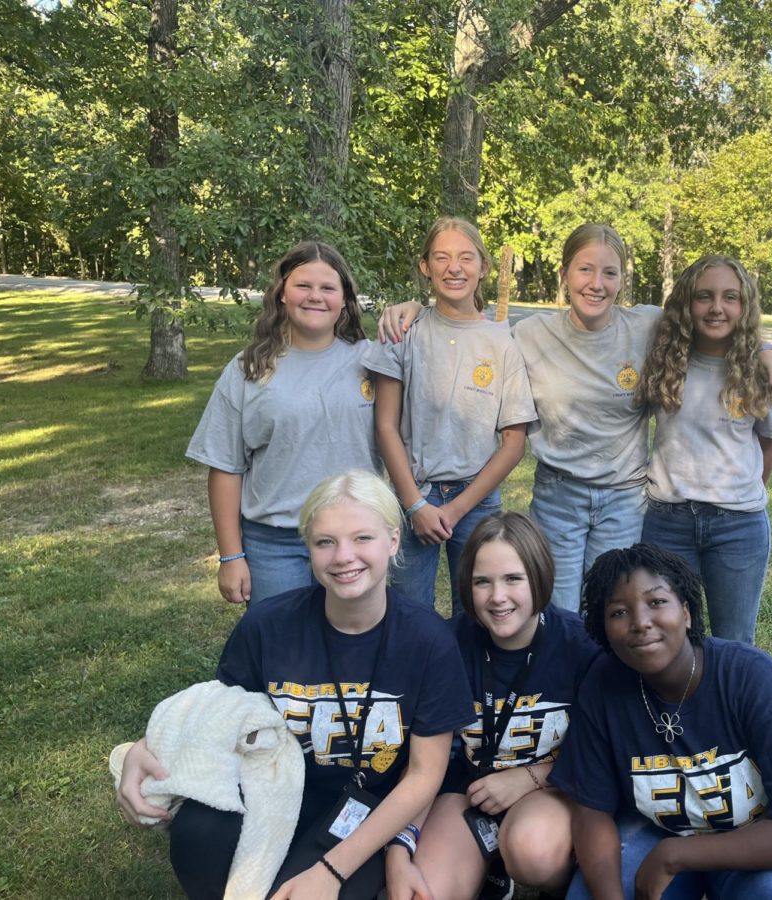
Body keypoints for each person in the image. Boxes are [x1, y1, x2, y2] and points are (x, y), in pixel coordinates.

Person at [378, 223, 772, 613]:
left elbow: (713, 318)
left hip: (624, 499)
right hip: (559, 496)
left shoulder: (648, 326)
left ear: (622, 280)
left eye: (609, 272)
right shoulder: (527, 334)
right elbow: (469, 327)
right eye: (585, 269)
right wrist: (415, 308)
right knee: (556, 613)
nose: (596, 283)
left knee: (611, 607)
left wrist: (767, 348)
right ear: (564, 273)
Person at [115, 470, 474, 899]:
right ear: (308, 548)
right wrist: (144, 747)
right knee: (199, 835)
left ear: (393, 541)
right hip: (276, 787)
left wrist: (330, 871)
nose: (344, 556)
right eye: (326, 541)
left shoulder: (429, 641)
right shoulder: (268, 626)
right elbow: (218, 715)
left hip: (369, 807)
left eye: (362, 538)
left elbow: (422, 776)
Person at [551, 544, 772, 900]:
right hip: (655, 832)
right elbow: (591, 813)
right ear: (603, 629)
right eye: (619, 612)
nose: (640, 622)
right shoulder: (603, 686)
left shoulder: (752, 678)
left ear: (686, 612)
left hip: (759, 839)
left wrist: (675, 856)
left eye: (657, 602)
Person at [387, 512, 601, 900]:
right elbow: (423, 760)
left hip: (552, 790)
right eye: (482, 582)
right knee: (426, 894)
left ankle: (554, 881)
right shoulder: (445, 645)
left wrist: (531, 778)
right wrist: (402, 843)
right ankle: (489, 868)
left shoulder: (581, 648)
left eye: (513, 579)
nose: (497, 597)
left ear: (539, 576)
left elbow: (603, 754)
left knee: (533, 851)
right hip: (466, 792)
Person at [186, 241, 381, 606]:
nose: (315, 297)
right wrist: (231, 556)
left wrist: (413, 306)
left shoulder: (373, 361)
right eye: (303, 286)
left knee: (357, 652)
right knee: (283, 656)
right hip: (275, 544)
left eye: (328, 288)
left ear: (344, 300)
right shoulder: (248, 369)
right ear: (281, 295)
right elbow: (226, 466)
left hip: (356, 539)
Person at [365, 218, 537, 614]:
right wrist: (414, 505)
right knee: (406, 613)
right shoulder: (404, 331)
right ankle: (414, 679)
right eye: (441, 258)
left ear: (483, 267)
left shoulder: (502, 343)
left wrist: (456, 509)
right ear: (426, 267)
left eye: (465, 258)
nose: (453, 268)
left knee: (480, 614)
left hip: (476, 501)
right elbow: (385, 426)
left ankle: (471, 679)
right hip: (412, 495)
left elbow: (513, 444)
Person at [637, 255, 772, 645]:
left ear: (745, 306)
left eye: (729, 297)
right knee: (668, 636)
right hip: (666, 521)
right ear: (687, 303)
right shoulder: (666, 358)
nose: (717, 308)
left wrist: (768, 349)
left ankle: (728, 708)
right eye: (704, 296)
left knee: (734, 641)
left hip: (737, 527)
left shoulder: (760, 372)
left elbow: (769, 443)